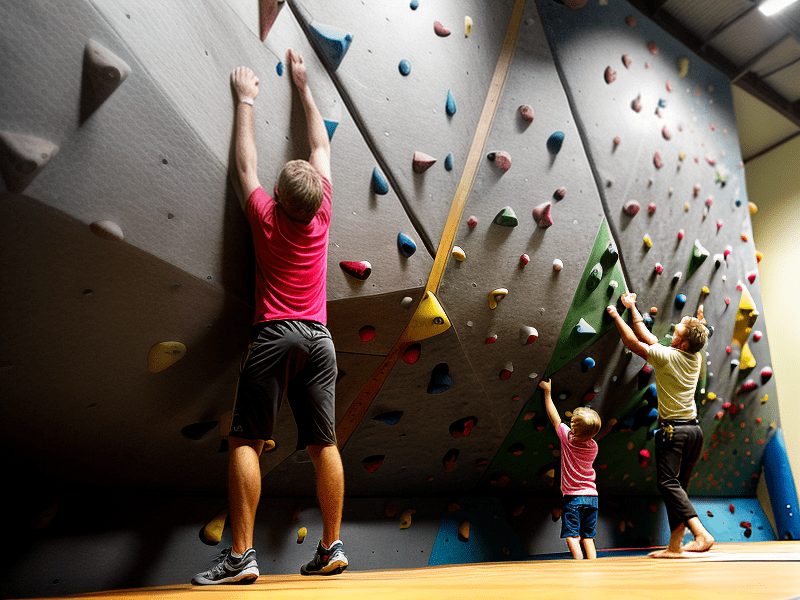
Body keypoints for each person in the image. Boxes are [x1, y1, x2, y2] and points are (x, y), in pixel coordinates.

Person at [192, 49, 347, 585]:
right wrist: (304, 87)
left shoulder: (265, 216)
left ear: (278, 199)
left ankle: (240, 556)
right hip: (321, 341)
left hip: (275, 335)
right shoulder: (322, 210)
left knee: (245, 441)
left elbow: (244, 165)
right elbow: (321, 144)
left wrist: (246, 99)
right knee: (323, 442)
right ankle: (330, 546)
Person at [607, 292, 714, 558]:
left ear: (682, 343)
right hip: (693, 432)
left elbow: (632, 341)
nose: (674, 328)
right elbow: (646, 335)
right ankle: (675, 546)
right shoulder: (693, 357)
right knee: (678, 489)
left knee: (668, 484)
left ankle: (701, 533)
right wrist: (632, 308)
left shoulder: (667, 357)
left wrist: (614, 315)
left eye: (677, 329)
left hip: (674, 431)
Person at [539, 378, 601, 559]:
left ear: (573, 430)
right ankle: (593, 566)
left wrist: (547, 392)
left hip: (573, 497)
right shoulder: (594, 447)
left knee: (572, 536)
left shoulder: (567, 439)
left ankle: (579, 565)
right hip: (592, 497)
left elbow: (554, 417)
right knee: (588, 538)